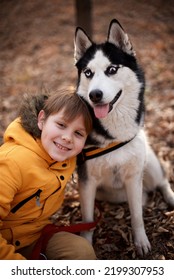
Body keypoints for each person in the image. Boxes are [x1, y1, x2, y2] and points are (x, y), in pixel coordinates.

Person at [0, 91, 96, 260]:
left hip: (34, 235)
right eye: (61, 125)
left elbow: (114, 142)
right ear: (41, 119)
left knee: (82, 252)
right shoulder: (12, 162)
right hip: (4, 242)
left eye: (78, 133)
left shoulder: (67, 154)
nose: (67, 138)